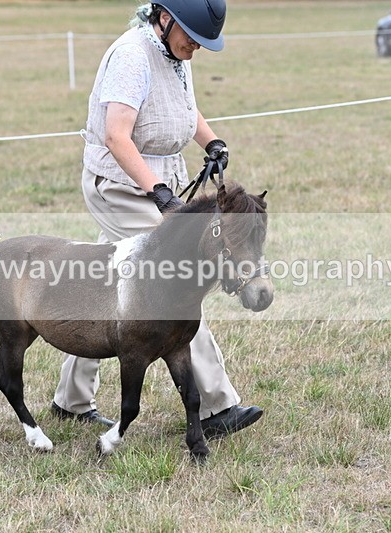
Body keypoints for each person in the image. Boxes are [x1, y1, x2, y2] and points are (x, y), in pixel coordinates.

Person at [50, 0, 263, 440]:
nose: (196, 47)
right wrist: (159, 192)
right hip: (121, 186)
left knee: (105, 288)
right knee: (179, 280)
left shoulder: (173, 51)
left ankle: (70, 400)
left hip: (156, 181)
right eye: (192, 37)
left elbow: (183, 109)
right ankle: (218, 406)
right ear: (165, 18)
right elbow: (116, 135)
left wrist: (212, 141)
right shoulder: (132, 56)